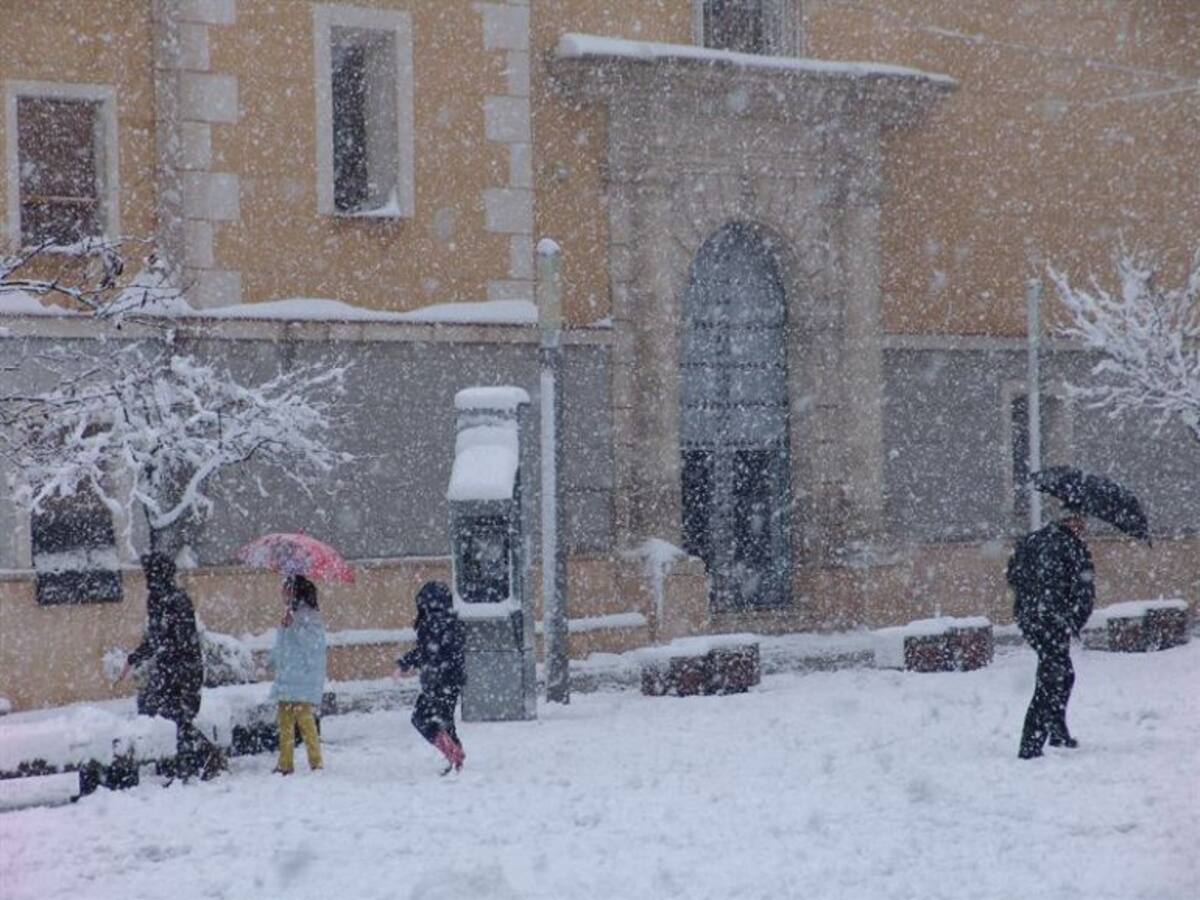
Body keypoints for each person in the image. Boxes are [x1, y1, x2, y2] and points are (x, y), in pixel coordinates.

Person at [1006, 507, 1095, 759]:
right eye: (1080, 522)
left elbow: (1013, 575)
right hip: (1053, 621)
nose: (1083, 527)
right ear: (1072, 522)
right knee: (1053, 678)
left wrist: (1031, 604)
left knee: (1062, 674)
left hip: (1033, 619)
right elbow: (1081, 587)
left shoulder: (1033, 540)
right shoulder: (1071, 547)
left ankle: (1057, 731)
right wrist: (1068, 616)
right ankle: (1030, 744)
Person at [122, 552, 217, 781]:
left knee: (180, 718)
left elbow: (179, 639)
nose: (147, 580)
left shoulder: (176, 600)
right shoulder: (156, 600)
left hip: (184, 669)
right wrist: (135, 658)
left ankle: (199, 762)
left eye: (150, 575)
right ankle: (186, 763)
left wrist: (165, 653)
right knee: (164, 715)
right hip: (170, 669)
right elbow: (158, 638)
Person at [394, 581, 466, 773]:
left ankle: (453, 754)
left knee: (421, 718)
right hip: (452, 680)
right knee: (445, 720)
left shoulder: (431, 623)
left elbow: (427, 652)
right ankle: (456, 757)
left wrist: (404, 663)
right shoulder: (453, 621)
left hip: (437, 680)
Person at [269, 575, 327, 775]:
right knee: (284, 722)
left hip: (302, 677)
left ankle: (316, 762)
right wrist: (272, 659)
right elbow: (283, 644)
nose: (282, 593)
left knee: (304, 720)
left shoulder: (309, 616)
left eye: (285, 589)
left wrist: (293, 625)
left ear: (295, 591)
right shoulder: (290, 614)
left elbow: (312, 646)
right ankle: (285, 763)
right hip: (287, 676)